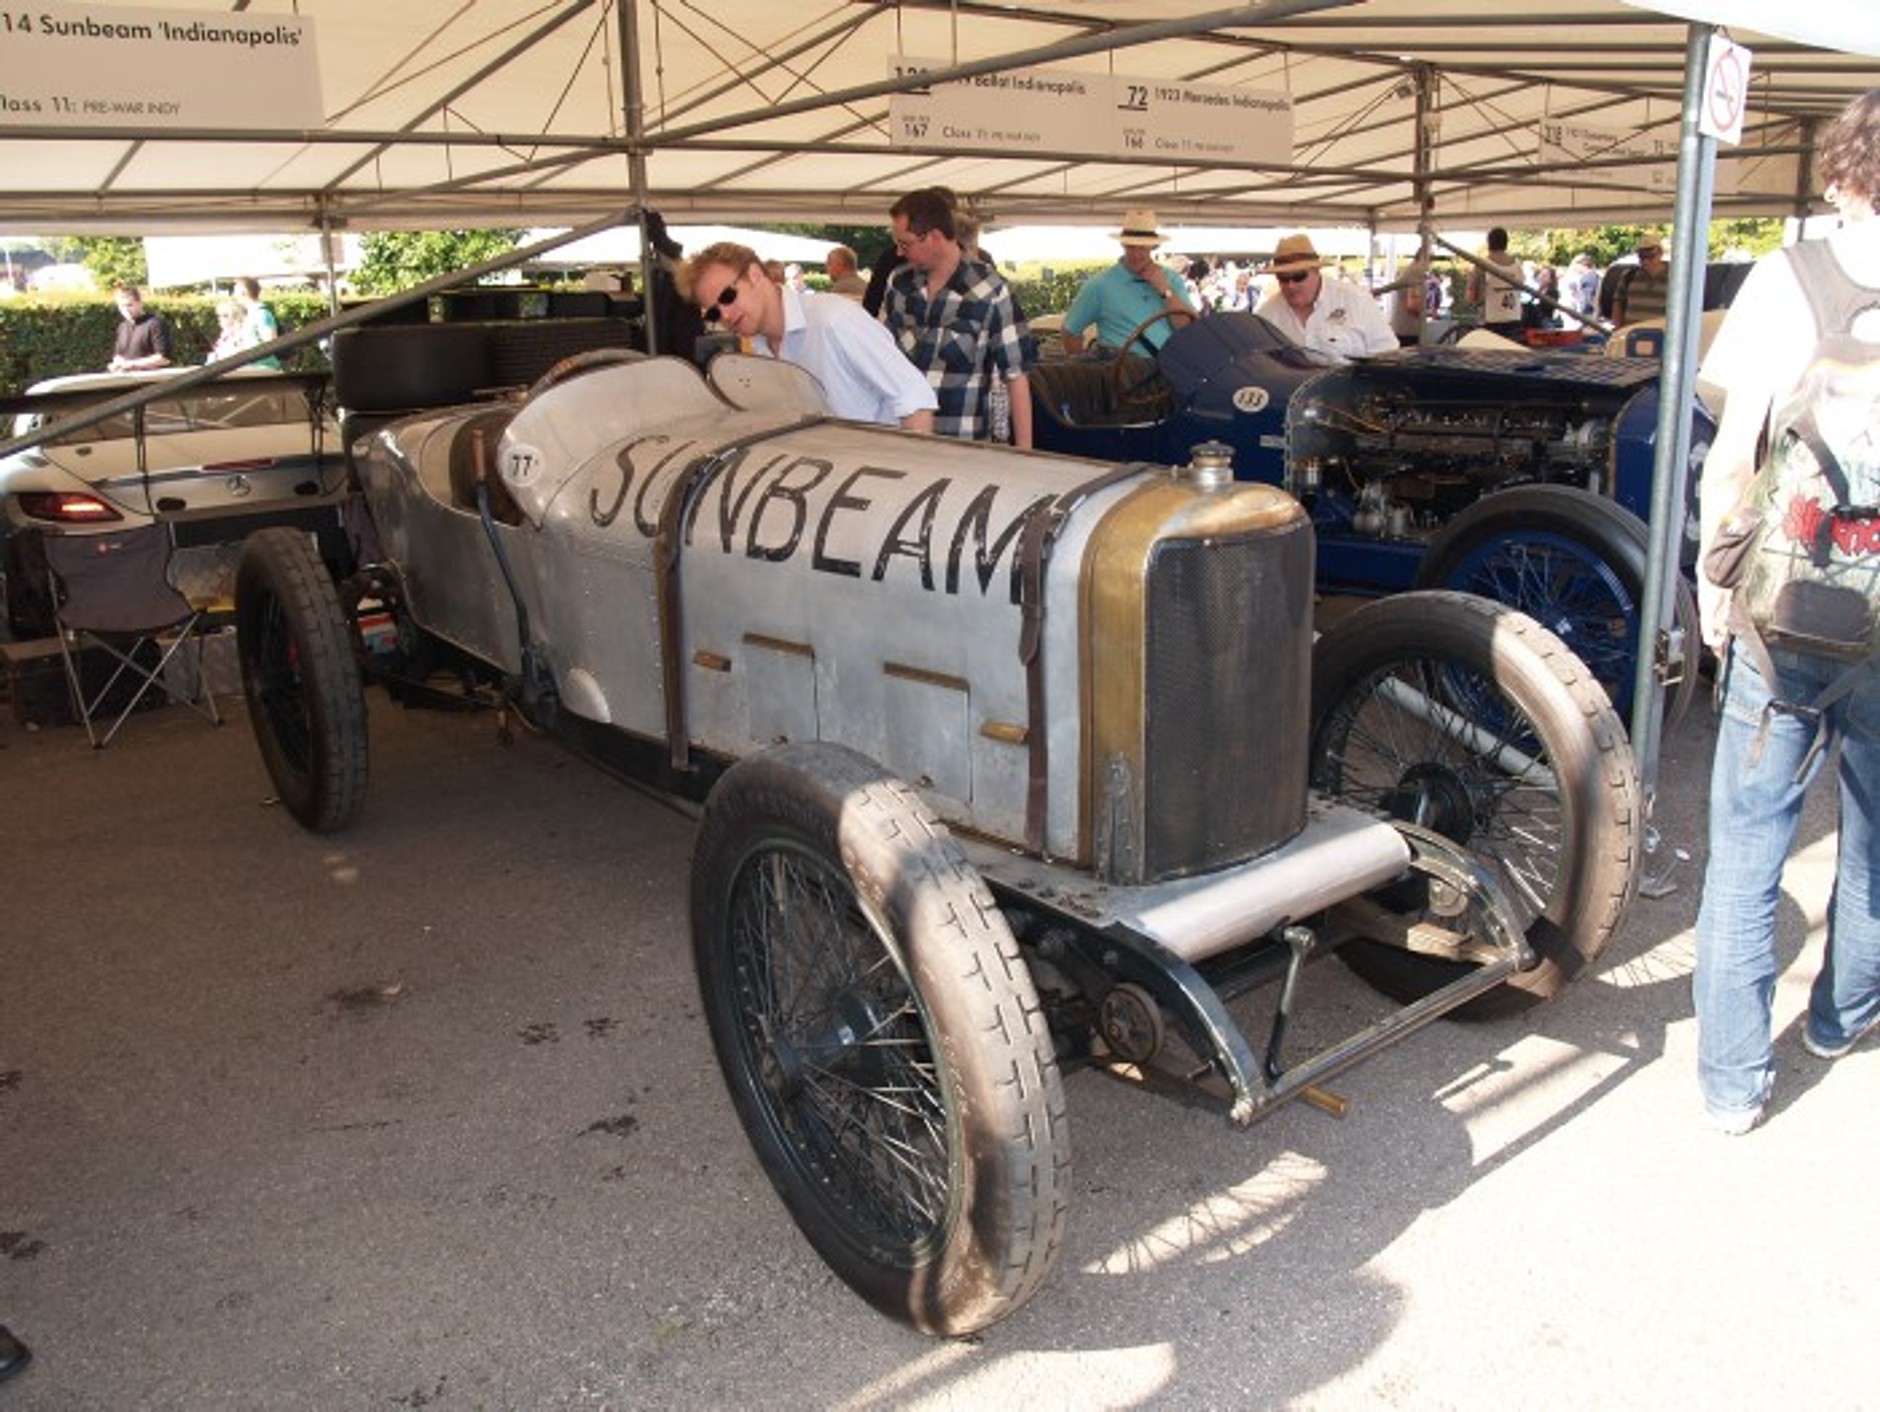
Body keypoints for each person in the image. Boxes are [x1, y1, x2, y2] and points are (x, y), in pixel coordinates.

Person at [1690, 87, 1880, 1135]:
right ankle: (1838, 1015)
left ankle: (1729, 1083)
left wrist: (1711, 584)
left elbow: (1733, 454)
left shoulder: (1787, 277)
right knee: (1877, 837)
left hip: (1789, 608)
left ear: (1842, 172)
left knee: (1747, 845)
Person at [681, 240, 935, 432]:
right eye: (713, 312)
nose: (724, 314)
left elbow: (915, 401)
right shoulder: (758, 352)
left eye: (727, 296)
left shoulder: (834, 319)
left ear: (756, 274)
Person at [880, 186, 1034, 447]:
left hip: (963, 449)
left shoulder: (992, 290)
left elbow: (1016, 377)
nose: (898, 253)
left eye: (905, 244)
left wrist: (1026, 454)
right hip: (901, 442)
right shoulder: (898, 282)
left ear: (935, 237)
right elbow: (880, 356)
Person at [1060, 208, 1194, 356]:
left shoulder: (1172, 279)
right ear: (1122, 245)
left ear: (1153, 247)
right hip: (1122, 373)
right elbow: (1070, 332)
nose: (1136, 254)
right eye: (1131, 247)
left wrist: (1165, 290)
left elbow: (1188, 329)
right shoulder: (1099, 285)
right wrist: (1083, 373)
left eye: (1142, 248)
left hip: (1168, 370)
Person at [1253, 234, 1396, 363]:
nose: (1291, 285)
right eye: (1283, 279)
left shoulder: (1357, 300)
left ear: (1316, 271)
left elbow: (1389, 355)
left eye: (1299, 277)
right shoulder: (1266, 315)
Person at [1467, 226, 1525, 337]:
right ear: (1506, 243)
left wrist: (1473, 302)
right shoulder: (1517, 264)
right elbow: (1521, 287)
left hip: (1491, 320)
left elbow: (1471, 293)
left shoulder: (1482, 264)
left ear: (1489, 243)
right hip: (1514, 318)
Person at [107, 283, 174, 372]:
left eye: (129, 305)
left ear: (140, 303)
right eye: (122, 306)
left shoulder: (155, 324)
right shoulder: (122, 327)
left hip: (152, 380)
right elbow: (118, 355)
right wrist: (117, 364)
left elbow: (164, 359)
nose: (126, 310)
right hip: (127, 381)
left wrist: (131, 364)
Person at [1609, 231, 1670, 326]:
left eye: (1650, 256)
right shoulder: (1629, 276)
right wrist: (1618, 327)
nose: (1646, 261)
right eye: (1642, 257)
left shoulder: (1676, 277)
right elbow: (1618, 301)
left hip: (1662, 335)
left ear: (1660, 253)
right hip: (1633, 334)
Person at [233, 276, 283, 369]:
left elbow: (271, 343)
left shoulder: (261, 314)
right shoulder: (249, 315)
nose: (234, 296)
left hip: (263, 367)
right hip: (250, 366)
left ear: (244, 292)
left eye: (235, 292)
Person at [209, 297, 254, 362]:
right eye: (219, 315)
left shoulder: (243, 334)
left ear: (236, 317)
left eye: (225, 316)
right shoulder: (225, 335)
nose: (220, 318)